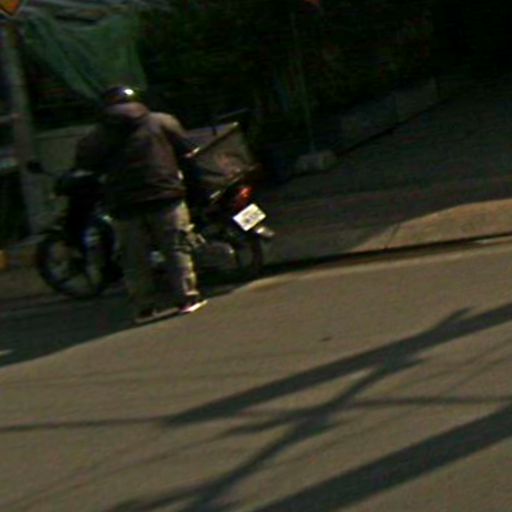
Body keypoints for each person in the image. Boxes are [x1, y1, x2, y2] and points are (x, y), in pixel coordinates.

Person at [74, 85, 206, 325]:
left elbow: (85, 164)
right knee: (176, 248)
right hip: (165, 195)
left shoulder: (96, 135)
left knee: (134, 259)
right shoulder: (162, 121)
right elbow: (187, 149)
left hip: (123, 203)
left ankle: (145, 308)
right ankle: (187, 299)